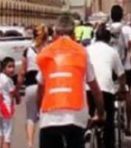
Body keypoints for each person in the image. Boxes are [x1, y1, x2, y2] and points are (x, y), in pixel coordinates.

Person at [37, 14, 105, 148]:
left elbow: (40, 89)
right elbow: (96, 90)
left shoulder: (46, 53)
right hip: (75, 118)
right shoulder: (82, 52)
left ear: (55, 33)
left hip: (49, 119)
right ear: (74, 34)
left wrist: (40, 111)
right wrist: (101, 114)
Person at [87, 24, 127, 148]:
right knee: (108, 120)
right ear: (108, 39)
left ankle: (86, 134)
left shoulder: (86, 49)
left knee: (86, 118)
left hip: (87, 89)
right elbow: (121, 74)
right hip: (105, 90)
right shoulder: (112, 51)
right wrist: (122, 89)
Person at [109, 5, 131, 136]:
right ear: (122, 15)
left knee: (106, 93)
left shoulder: (105, 28)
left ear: (111, 16)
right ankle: (129, 126)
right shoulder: (127, 29)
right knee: (128, 94)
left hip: (109, 68)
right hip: (125, 67)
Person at [18, 23, 47, 148]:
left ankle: (30, 143)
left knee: (30, 116)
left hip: (30, 85)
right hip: (44, 86)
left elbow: (22, 71)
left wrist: (17, 88)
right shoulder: (47, 50)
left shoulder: (27, 51)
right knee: (44, 116)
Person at [0, 57, 18, 148]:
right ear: (3, 68)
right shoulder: (8, 80)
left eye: (13, 66)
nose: (12, 69)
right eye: (9, 67)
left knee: (1, 131)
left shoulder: (0, 77)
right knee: (7, 134)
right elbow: (13, 92)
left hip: (0, 106)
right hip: (6, 107)